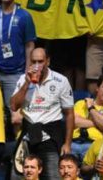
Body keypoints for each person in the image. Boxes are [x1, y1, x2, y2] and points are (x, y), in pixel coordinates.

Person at [11, 48, 74, 180]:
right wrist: (27, 84)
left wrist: (67, 143)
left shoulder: (60, 81)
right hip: (28, 135)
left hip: (50, 136)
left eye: (40, 61)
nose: (37, 65)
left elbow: (69, 114)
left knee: (53, 176)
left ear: (48, 61)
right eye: (33, 61)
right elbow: (14, 106)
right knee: (17, 176)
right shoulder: (23, 79)